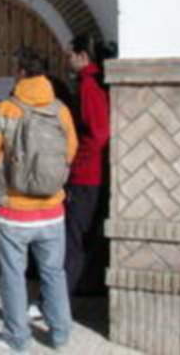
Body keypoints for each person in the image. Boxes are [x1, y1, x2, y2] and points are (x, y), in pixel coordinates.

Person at [0, 47, 78, 353]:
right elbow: (69, 152)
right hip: (52, 209)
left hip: (14, 211)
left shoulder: (7, 109)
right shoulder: (60, 109)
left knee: (13, 275)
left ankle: (18, 338)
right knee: (54, 272)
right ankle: (60, 335)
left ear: (20, 72)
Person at [64, 35, 112, 296]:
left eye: (70, 55)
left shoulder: (89, 86)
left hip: (87, 175)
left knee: (76, 235)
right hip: (91, 173)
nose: (67, 60)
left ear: (83, 56)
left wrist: (76, 161)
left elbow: (98, 133)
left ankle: (70, 287)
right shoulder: (90, 83)